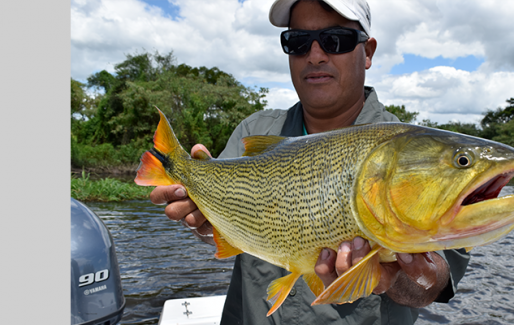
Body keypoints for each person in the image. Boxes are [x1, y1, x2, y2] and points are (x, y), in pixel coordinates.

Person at [149, 0, 470, 323]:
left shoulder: (413, 154)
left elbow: (432, 285)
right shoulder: (254, 131)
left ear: (368, 52)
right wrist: (203, 222)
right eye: (298, 42)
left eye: (335, 40)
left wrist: (392, 277)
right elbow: (221, 228)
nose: (315, 55)